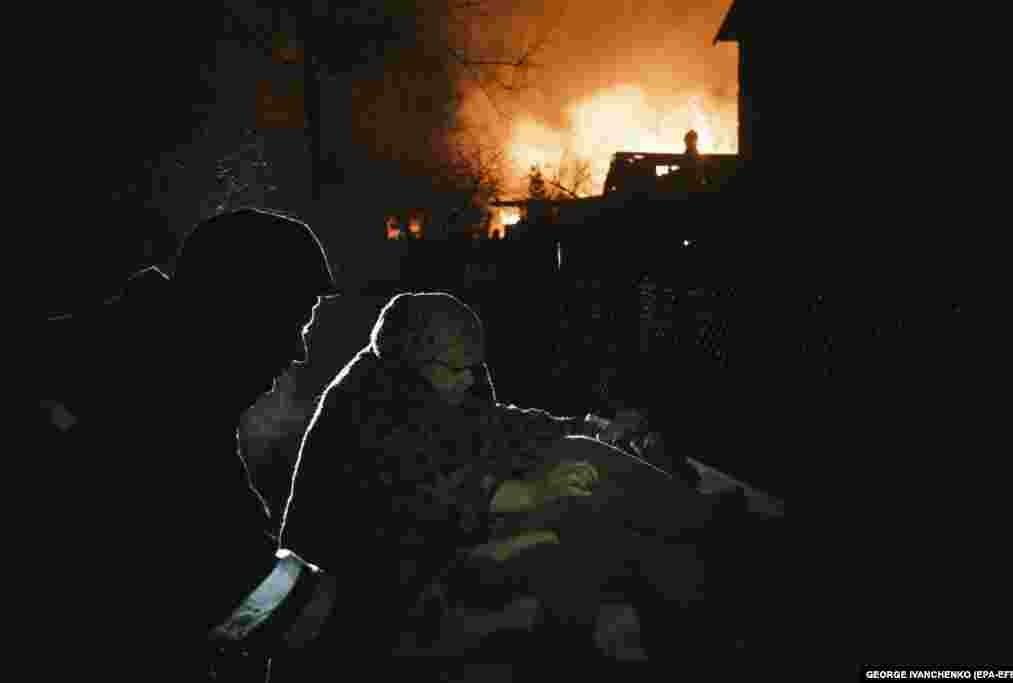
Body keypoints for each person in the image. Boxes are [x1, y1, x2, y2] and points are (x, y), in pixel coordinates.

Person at [280, 291, 762, 666]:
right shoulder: (366, 407)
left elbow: (493, 423)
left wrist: (582, 427)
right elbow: (425, 500)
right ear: (410, 362)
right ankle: (713, 584)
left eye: (474, 368)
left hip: (424, 548)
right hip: (370, 594)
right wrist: (530, 492)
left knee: (578, 459)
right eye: (457, 369)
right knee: (574, 539)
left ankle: (707, 534)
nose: (470, 380)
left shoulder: (431, 382)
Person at [36, 208, 342, 681]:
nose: (299, 351)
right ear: (245, 309)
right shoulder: (156, 401)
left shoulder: (119, 358)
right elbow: (238, 586)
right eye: (296, 320)